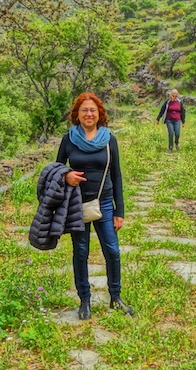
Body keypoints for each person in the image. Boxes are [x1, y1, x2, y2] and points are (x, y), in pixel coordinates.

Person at [57, 92, 134, 320]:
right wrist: (67, 176)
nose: (89, 114)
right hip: (76, 205)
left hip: (104, 204)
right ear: (77, 115)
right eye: (84, 110)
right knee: (81, 252)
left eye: (93, 110)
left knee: (112, 250)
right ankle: (85, 300)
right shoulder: (68, 139)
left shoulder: (109, 139)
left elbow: (117, 176)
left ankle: (115, 297)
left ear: (99, 113)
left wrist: (119, 211)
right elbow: (57, 168)